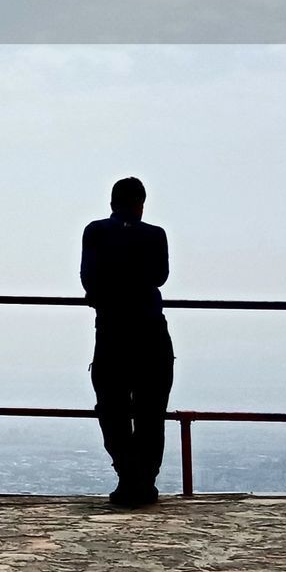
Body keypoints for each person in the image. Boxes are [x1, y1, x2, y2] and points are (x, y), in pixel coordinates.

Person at [80, 176, 174, 508]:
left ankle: (127, 478)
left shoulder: (95, 232)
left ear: (111, 203)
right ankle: (143, 482)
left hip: (112, 331)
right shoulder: (155, 235)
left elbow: (88, 278)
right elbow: (160, 276)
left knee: (113, 409)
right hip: (150, 331)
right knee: (151, 411)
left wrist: (108, 289)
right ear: (141, 203)